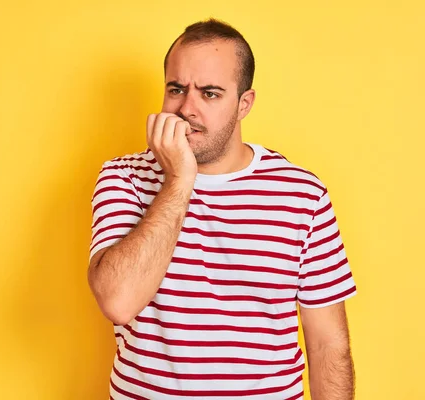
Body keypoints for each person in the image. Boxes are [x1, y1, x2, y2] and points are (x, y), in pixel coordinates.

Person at [87, 18, 357, 400]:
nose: (186, 109)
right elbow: (118, 301)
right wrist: (180, 179)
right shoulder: (124, 177)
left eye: (210, 93)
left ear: (243, 104)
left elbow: (328, 344)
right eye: (176, 89)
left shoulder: (302, 194)